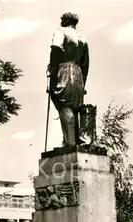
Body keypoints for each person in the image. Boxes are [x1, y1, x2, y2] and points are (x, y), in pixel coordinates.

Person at [47, 12, 89, 148]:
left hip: (64, 70)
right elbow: (85, 64)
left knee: (64, 105)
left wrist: (52, 67)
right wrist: (83, 83)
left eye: (62, 19)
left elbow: (56, 49)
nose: (61, 21)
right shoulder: (82, 38)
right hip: (78, 74)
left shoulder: (61, 31)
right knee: (75, 106)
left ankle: (69, 143)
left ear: (66, 21)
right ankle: (74, 140)